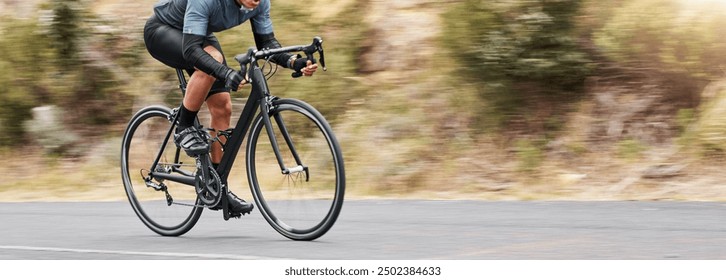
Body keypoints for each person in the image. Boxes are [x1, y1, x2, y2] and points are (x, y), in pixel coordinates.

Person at [143, 0, 318, 216]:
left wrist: (294, 62)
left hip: (198, 33)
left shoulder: (259, 3)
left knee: (223, 108)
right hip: (163, 31)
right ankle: (184, 126)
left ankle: (216, 188)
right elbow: (190, 51)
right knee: (214, 62)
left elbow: (267, 44)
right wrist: (226, 73)